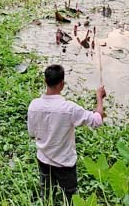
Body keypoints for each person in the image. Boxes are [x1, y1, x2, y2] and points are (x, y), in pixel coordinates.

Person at [27, 65, 106, 204]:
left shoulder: (34, 105)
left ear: (45, 81)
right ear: (62, 84)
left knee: (46, 191)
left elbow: (32, 133)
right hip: (65, 163)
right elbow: (97, 121)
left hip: (43, 159)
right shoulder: (70, 108)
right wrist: (99, 97)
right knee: (70, 196)